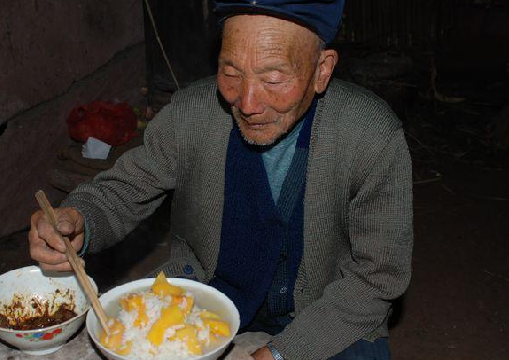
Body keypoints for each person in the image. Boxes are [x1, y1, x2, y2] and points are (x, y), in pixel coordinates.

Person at [29, 1, 413, 359]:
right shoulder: (190, 116)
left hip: (329, 308)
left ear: (322, 70)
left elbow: (377, 279)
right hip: (205, 289)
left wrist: (280, 353)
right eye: (230, 73)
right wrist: (82, 218)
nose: (246, 102)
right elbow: (125, 188)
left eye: (273, 78)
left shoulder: (370, 137)